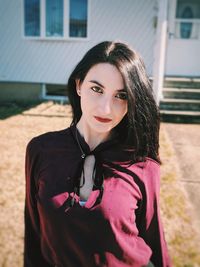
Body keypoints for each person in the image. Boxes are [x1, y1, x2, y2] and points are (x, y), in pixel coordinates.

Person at [24, 41, 171, 267]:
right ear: (79, 85)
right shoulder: (41, 150)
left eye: (121, 96)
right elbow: (35, 236)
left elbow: (155, 243)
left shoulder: (144, 166)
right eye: (96, 89)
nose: (105, 109)